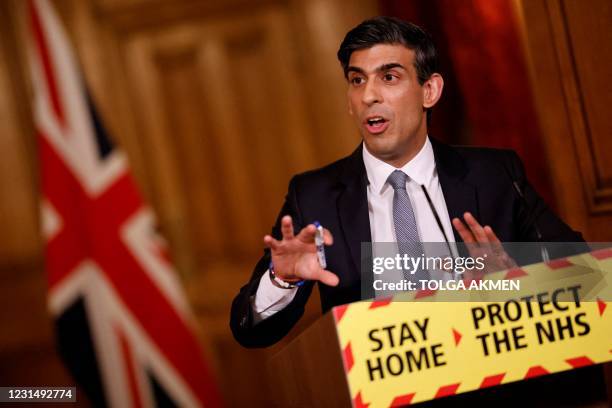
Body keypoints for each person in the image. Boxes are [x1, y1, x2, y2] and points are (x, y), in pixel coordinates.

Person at [230, 16, 582, 349]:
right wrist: (283, 280)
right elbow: (249, 330)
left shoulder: (494, 174)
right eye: (357, 80)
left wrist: (519, 281)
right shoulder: (314, 197)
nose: (369, 96)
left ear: (429, 91)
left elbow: (587, 273)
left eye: (389, 77)